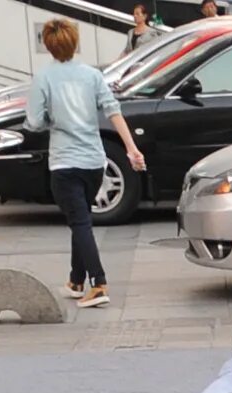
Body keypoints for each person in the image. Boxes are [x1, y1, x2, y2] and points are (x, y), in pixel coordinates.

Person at [24, 20, 146, 310]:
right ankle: (76, 281)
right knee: (82, 221)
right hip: (94, 162)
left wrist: (50, 119)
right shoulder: (92, 75)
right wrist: (132, 149)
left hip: (64, 163)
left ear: (49, 46)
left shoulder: (44, 78)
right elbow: (113, 111)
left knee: (79, 223)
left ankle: (98, 282)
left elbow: (34, 121)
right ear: (75, 43)